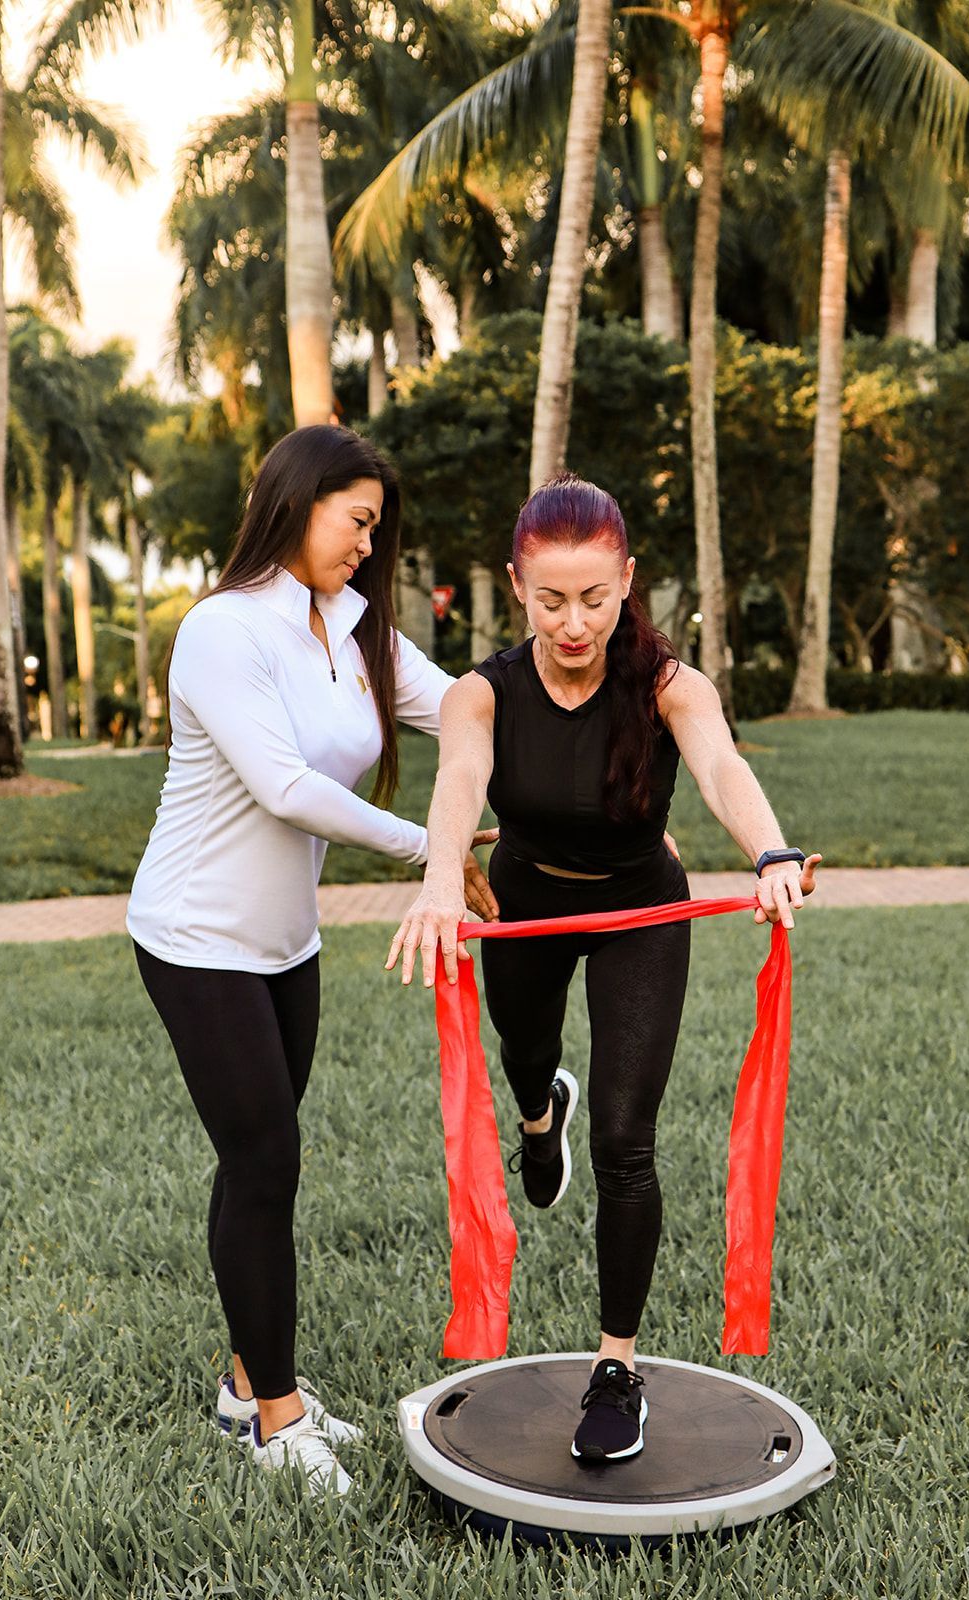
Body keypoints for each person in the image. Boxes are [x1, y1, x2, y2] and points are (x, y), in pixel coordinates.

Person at [387, 474, 821, 1464]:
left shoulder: (669, 683)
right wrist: (440, 884)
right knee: (522, 1059)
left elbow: (717, 766)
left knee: (628, 1140)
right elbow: (457, 780)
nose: (572, 621)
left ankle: (615, 1367)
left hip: (638, 907)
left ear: (626, 581)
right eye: (548, 599)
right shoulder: (480, 691)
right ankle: (542, 1118)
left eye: (592, 596)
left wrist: (769, 851)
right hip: (525, 898)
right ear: (515, 586)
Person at [127, 425, 493, 1494]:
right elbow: (283, 786)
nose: (368, 548)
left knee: (259, 1160)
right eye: (357, 521)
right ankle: (274, 1419)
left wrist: (573, 706)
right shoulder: (220, 630)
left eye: (378, 529)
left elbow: (464, 707)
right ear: (294, 501)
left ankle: (246, 1377)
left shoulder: (357, 626)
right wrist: (433, 846)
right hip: (195, 936)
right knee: (266, 1156)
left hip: (288, 940)